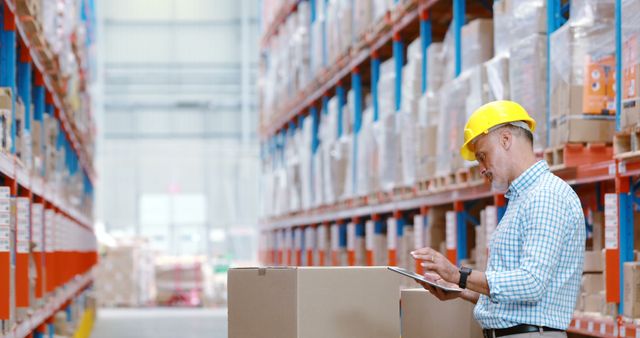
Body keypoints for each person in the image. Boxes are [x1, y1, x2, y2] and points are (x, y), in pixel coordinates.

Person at [411, 101, 585, 338]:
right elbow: (513, 301)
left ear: (505, 140)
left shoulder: (546, 196)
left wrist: (458, 275)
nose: (482, 168)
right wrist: (459, 288)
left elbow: (531, 284)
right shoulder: (522, 199)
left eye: (483, 156)